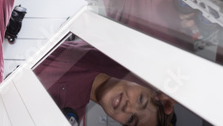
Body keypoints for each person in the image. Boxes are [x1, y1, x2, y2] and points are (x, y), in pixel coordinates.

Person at [34, 40, 176, 126]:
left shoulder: (71, 114)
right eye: (140, 100)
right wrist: (160, 78)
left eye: (131, 119)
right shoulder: (97, 56)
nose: (128, 108)